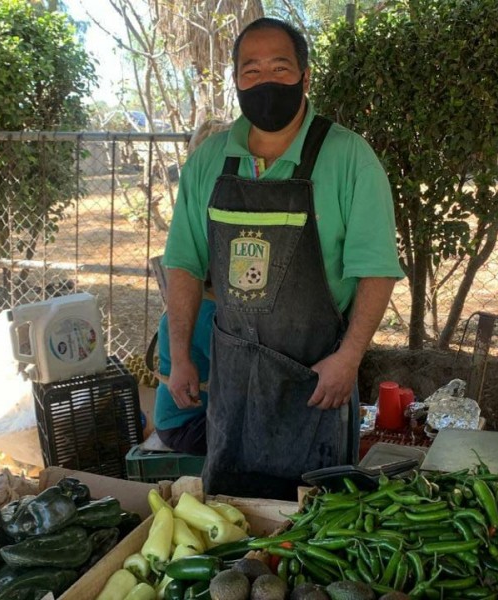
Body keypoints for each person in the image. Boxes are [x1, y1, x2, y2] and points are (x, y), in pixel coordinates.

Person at [162, 17, 403, 499]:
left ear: (305, 77)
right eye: (251, 71)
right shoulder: (209, 160)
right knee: (231, 517)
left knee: (317, 520)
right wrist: (183, 356)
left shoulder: (349, 157)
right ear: (236, 82)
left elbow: (376, 268)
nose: (265, 81)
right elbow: (184, 262)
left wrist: (349, 357)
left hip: (316, 379)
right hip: (233, 385)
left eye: (280, 67)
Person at [152, 295, 215, 455]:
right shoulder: (207, 314)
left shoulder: (184, 305)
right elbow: (240, 372)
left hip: (174, 423)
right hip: (186, 426)